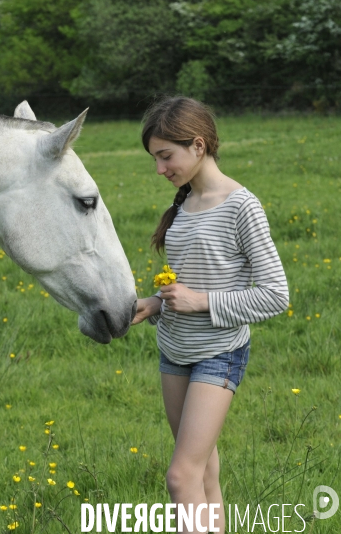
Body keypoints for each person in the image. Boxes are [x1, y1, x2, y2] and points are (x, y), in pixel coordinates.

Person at [132, 96, 289, 534]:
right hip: (174, 352)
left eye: (166, 156)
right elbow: (189, 284)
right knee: (202, 476)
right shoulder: (183, 206)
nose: (160, 169)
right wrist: (156, 304)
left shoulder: (242, 206)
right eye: (155, 159)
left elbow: (277, 294)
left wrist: (202, 302)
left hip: (218, 354)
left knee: (180, 477)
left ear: (198, 146)